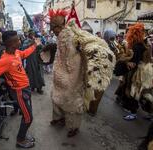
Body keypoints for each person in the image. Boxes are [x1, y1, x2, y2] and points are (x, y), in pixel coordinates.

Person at [48, 9, 115, 137]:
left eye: (54, 28)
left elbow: (90, 48)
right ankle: (59, 118)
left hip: (73, 76)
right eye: (52, 28)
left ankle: (74, 127)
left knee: (72, 102)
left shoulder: (75, 36)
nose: (53, 31)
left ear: (60, 26)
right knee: (57, 98)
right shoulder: (60, 37)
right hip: (60, 75)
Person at [22, 30, 45, 94]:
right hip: (30, 59)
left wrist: (38, 44)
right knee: (31, 74)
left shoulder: (37, 40)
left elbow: (42, 47)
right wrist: (31, 43)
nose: (32, 35)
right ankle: (32, 87)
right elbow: (23, 49)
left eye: (33, 33)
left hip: (37, 59)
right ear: (29, 34)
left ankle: (39, 88)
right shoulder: (26, 41)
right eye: (31, 34)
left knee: (39, 74)